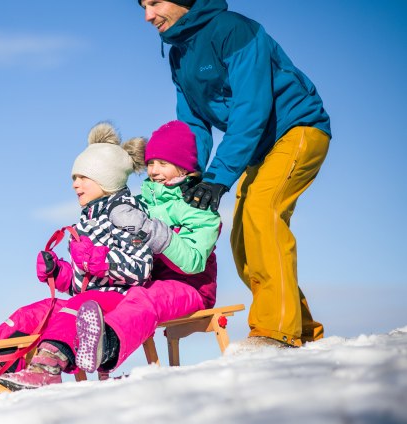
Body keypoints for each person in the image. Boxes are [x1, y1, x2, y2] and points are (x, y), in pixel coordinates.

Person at [137, 0, 331, 347]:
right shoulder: (178, 54)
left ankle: (276, 331)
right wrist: (190, 173)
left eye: (154, 3)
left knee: (261, 213)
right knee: (242, 238)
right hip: (258, 148)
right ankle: (302, 330)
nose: (147, 16)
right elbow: (192, 123)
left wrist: (218, 177)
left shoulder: (234, 30)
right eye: (143, 7)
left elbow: (251, 106)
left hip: (296, 129)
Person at [0, 122, 155, 397]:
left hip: (121, 298)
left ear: (106, 179)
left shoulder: (126, 213)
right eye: (73, 178)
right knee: (36, 311)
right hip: (92, 298)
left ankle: (47, 369)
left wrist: (97, 259)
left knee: (74, 307)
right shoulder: (89, 219)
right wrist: (60, 272)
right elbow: (82, 284)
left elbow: (142, 268)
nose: (75, 184)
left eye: (83, 177)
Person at [74, 120, 220, 373]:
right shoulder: (140, 203)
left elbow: (193, 261)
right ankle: (77, 345)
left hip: (192, 289)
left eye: (163, 163)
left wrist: (150, 230)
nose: (153, 170)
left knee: (145, 299)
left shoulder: (199, 207)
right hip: (148, 283)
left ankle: (107, 347)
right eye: (151, 163)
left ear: (184, 168)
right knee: (116, 297)